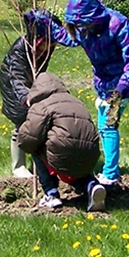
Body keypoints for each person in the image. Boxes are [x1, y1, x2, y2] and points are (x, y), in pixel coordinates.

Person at [58, 0, 129, 186]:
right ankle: (110, 171)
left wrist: (121, 89)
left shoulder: (117, 24)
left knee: (108, 125)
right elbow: (69, 37)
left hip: (122, 85)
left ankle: (111, 175)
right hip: (103, 84)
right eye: (77, 24)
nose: (81, 28)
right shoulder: (82, 27)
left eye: (84, 23)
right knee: (104, 126)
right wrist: (44, 24)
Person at [17, 72, 106, 212]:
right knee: (75, 165)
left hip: (64, 152)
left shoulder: (42, 105)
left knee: (37, 148)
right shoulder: (76, 101)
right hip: (90, 154)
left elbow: (28, 139)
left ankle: (51, 194)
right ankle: (92, 185)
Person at [0, 9, 61, 178]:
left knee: (41, 121)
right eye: (48, 43)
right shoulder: (22, 49)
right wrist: (26, 97)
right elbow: (16, 75)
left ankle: (41, 163)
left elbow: (40, 70)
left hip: (32, 84)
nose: (51, 47)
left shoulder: (47, 47)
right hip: (14, 85)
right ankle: (18, 166)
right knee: (23, 120)